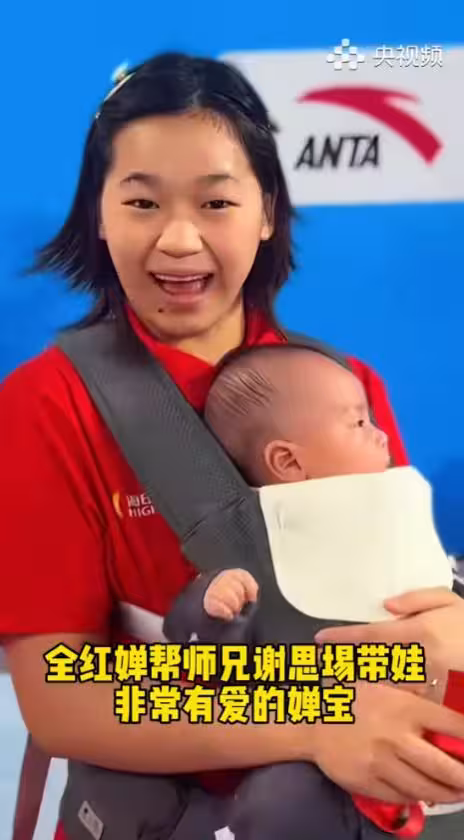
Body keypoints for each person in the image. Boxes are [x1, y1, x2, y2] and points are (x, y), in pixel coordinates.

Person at [1, 51, 464, 840]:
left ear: (266, 212)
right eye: (142, 202)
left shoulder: (348, 388)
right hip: (163, 811)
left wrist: (440, 637)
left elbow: (407, 615)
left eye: (216, 202)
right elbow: (61, 696)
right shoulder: (46, 406)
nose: (179, 240)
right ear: (99, 214)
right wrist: (315, 721)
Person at [160, 343, 457, 838]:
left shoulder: (392, 506)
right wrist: (215, 602)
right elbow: (201, 644)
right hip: (326, 731)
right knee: (283, 800)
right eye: (358, 423)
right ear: (288, 461)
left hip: (431, 709)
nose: (382, 434)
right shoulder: (258, 540)